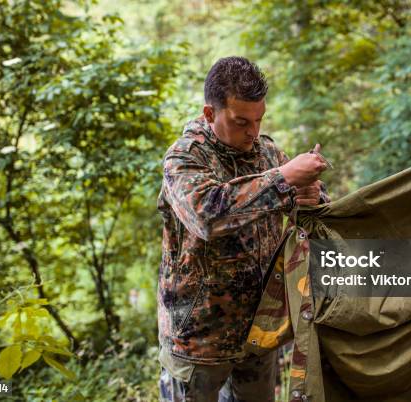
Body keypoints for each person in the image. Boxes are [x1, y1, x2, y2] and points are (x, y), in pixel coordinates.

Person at [157, 56, 331, 402]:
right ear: (210, 114)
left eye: (259, 120)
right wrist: (283, 179)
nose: (252, 131)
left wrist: (312, 195)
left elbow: (306, 208)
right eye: (241, 122)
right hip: (198, 341)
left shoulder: (266, 152)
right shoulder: (184, 158)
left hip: (257, 334)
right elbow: (207, 216)